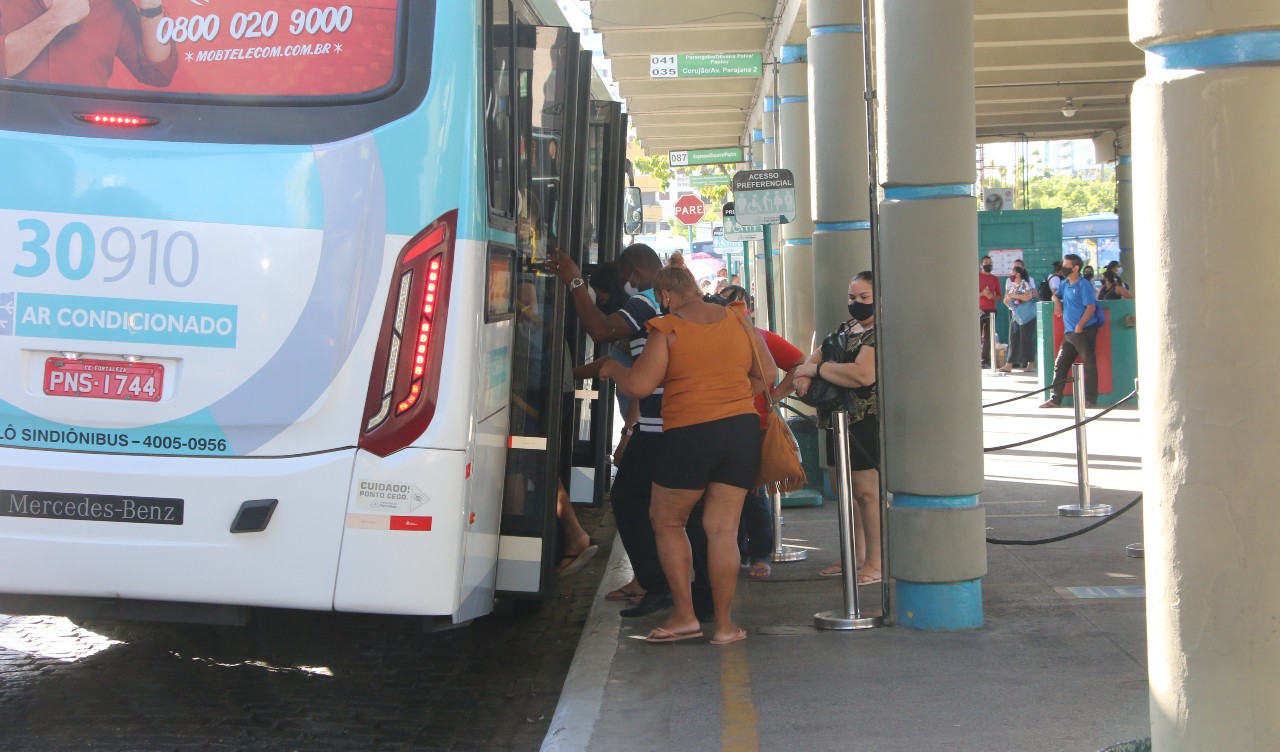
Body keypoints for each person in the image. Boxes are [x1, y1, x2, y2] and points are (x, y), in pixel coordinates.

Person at [600, 266, 774, 645]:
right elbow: (769, 372)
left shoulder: (666, 328)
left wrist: (612, 367)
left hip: (690, 435)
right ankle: (726, 626)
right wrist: (731, 395)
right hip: (741, 432)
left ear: (664, 296)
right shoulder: (737, 319)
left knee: (666, 521)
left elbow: (641, 385)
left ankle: (684, 617)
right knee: (723, 530)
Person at [547, 244, 673, 617]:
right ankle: (656, 581)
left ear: (636, 272)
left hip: (658, 425)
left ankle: (658, 584)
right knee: (651, 505)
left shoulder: (645, 303)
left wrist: (573, 283)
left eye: (623, 280)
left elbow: (600, 331)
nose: (623, 288)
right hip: (659, 422)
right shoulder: (659, 303)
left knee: (628, 498)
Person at [790, 272, 881, 585]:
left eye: (863, 298)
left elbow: (863, 375)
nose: (855, 304)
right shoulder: (846, 329)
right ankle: (854, 556)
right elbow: (813, 358)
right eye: (851, 298)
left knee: (867, 493)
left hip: (864, 420)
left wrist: (817, 370)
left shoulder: (877, 331)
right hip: (834, 419)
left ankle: (875, 562)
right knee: (845, 491)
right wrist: (806, 373)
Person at [708, 285, 805, 580]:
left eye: (740, 305)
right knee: (727, 494)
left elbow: (800, 363)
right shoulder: (713, 337)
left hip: (753, 424)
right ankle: (739, 552)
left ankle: (759, 552)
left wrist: (774, 397)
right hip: (720, 423)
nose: (736, 311)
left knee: (751, 492)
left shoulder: (760, 336)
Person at [1, 0, 178, 87]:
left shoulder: (112, 4)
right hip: (12, 135)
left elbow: (157, 74)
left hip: (87, 139)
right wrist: (58, 18)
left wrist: (151, 6)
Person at [1042, 253, 1106, 409]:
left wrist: (1080, 325)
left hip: (1083, 331)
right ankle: (1055, 399)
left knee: (1089, 364)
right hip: (1069, 333)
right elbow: (1055, 295)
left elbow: (1090, 307)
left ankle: (1090, 399)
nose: (1063, 268)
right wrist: (1056, 300)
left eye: (1066, 265)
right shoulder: (1065, 283)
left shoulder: (1083, 285)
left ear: (1076, 268)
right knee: (1060, 364)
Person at [999, 266, 1036, 373]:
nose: (1010, 275)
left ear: (1018, 274)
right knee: (1013, 339)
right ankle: (1009, 364)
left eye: (1012, 273)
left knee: (1027, 339)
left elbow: (1028, 297)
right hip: (1016, 316)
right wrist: (1008, 302)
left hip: (1027, 317)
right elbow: (1007, 301)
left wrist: (1013, 295)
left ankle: (1030, 364)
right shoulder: (1012, 287)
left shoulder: (1024, 284)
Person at [978, 256, 1000, 367]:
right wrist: (982, 294)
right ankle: (975, 357)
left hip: (991, 310)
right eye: (986, 263)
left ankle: (985, 360)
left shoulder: (995, 279)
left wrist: (991, 296)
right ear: (981, 265)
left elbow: (999, 297)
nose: (988, 265)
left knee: (989, 336)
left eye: (990, 263)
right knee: (976, 335)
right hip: (978, 309)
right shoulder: (976, 277)